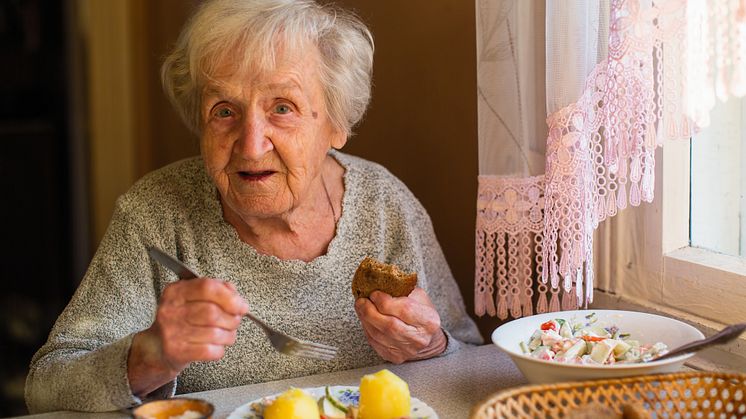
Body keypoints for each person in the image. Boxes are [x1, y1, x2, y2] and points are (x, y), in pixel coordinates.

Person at [25, 0, 483, 413]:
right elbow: (47, 384)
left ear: (337, 123)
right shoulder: (156, 215)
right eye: (224, 110)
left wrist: (430, 346)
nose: (250, 143)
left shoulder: (385, 205)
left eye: (282, 108)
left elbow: (466, 355)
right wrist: (150, 356)